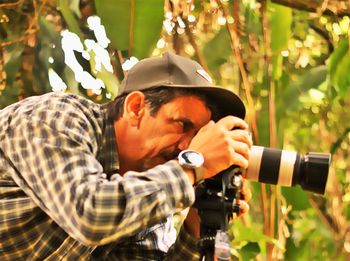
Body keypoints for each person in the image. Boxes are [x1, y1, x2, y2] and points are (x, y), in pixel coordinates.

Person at [0, 52, 252, 260]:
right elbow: (89, 212)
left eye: (198, 137)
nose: (187, 146)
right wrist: (196, 164)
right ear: (135, 108)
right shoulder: (55, 117)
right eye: (182, 125)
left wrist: (199, 219)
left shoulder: (147, 194)